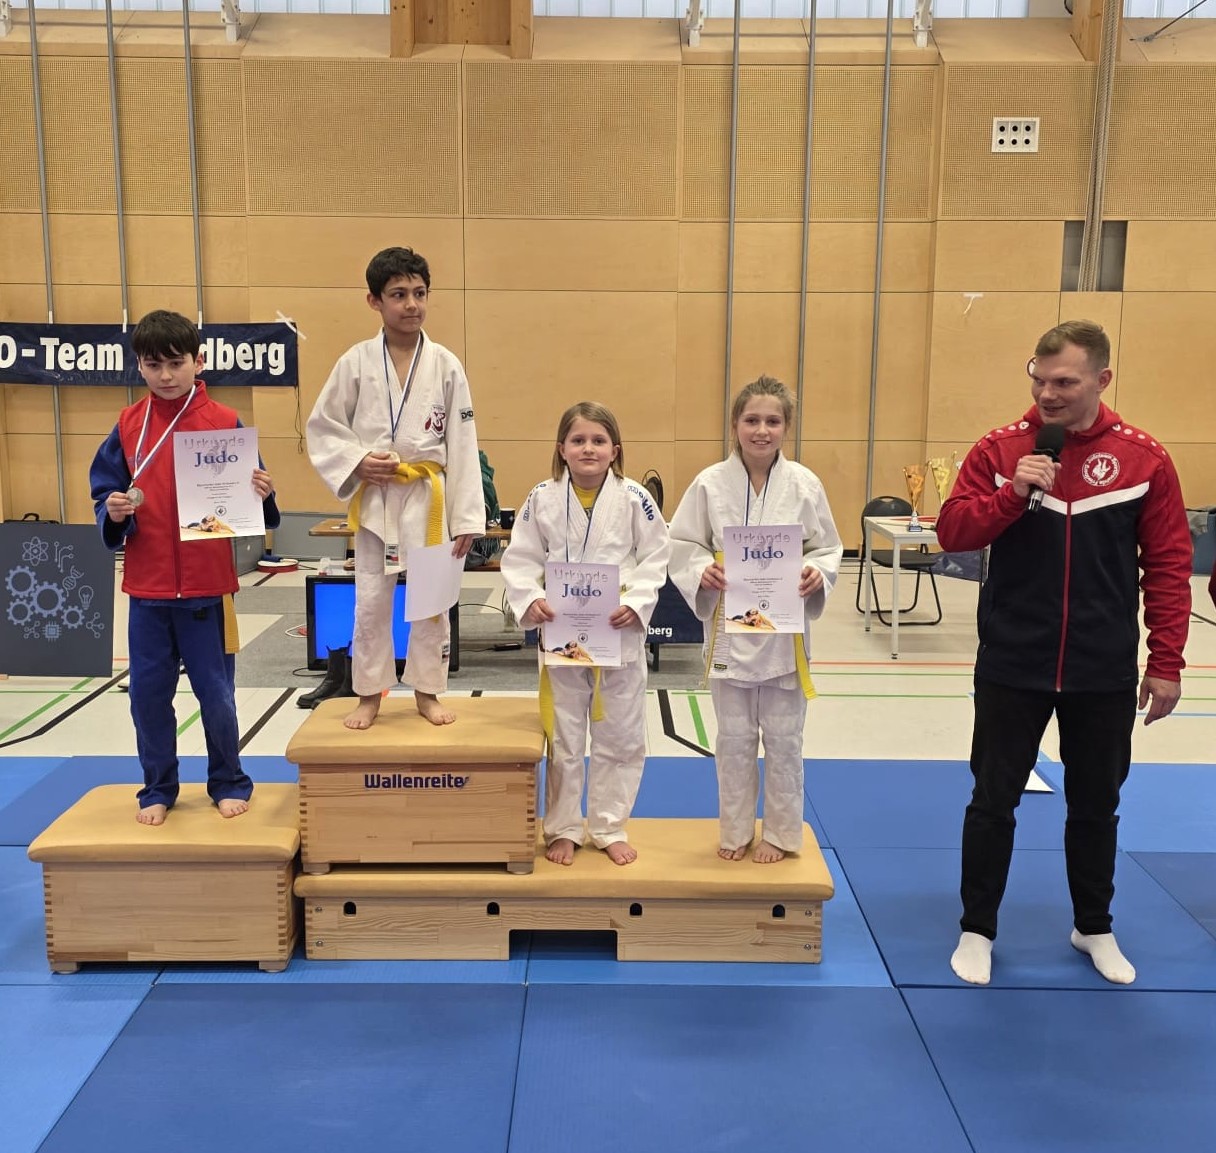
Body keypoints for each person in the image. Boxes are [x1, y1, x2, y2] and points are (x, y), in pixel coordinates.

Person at [937, 320, 1192, 986]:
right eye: (1039, 379)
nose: (1047, 394)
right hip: (1013, 661)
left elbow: (1169, 564)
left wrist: (1166, 660)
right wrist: (1011, 494)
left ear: (1101, 379)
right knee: (992, 800)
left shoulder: (1144, 459)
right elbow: (953, 532)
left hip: (1101, 667)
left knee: (1096, 804)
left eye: (1064, 382)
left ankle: (1093, 925)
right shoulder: (1000, 449)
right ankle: (977, 928)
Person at [89, 310, 280, 825]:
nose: (167, 375)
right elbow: (104, 490)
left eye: (176, 363)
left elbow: (255, 501)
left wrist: (263, 493)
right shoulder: (128, 425)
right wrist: (112, 510)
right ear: (139, 366)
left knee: (216, 697)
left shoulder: (225, 422)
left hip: (207, 589)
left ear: (199, 361)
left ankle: (228, 780)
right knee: (148, 698)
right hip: (148, 589)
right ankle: (157, 787)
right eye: (154, 365)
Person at [307, 247, 483, 730]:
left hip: (429, 498)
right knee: (371, 601)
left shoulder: (446, 364)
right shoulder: (355, 362)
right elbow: (323, 426)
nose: (412, 304)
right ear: (375, 301)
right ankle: (369, 694)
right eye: (399, 294)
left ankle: (427, 691)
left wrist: (468, 517)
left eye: (420, 293)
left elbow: (463, 441)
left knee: (432, 603)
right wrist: (358, 461)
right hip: (377, 500)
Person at [669, 376, 842, 864]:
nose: (761, 430)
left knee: (785, 740)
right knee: (734, 740)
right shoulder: (709, 483)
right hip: (730, 630)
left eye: (772, 421)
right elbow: (682, 542)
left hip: (784, 635)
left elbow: (828, 547)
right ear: (734, 425)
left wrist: (817, 573)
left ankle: (781, 835)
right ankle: (736, 830)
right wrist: (702, 570)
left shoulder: (805, 484)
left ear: (787, 427)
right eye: (751, 420)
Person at [500, 402, 671, 866]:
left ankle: (610, 825)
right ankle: (563, 827)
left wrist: (637, 603)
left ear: (615, 450)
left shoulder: (635, 498)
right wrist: (530, 597)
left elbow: (656, 558)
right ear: (562, 449)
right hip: (562, 632)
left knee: (622, 736)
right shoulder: (541, 497)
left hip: (618, 630)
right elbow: (521, 557)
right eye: (578, 441)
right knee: (565, 738)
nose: (588, 449)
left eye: (598, 440)